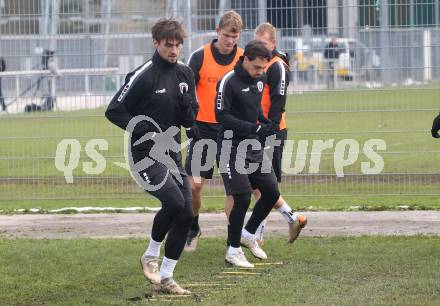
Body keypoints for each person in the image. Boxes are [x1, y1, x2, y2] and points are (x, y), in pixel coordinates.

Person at [105, 18, 198, 295]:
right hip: (144, 154)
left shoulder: (185, 74)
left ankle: (167, 278)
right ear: (155, 43)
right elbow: (114, 111)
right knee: (173, 201)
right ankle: (150, 255)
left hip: (172, 153)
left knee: (186, 211)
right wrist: (145, 129)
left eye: (177, 44)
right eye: (167, 44)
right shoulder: (143, 74)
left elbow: (189, 116)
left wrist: (187, 113)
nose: (173, 49)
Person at [240, 22, 307, 249]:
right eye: (257, 43)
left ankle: (257, 237)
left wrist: (269, 131)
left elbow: (278, 104)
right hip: (259, 130)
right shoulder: (263, 64)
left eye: (265, 44)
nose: (261, 48)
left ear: (274, 43)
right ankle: (292, 218)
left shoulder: (277, 66)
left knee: (262, 186)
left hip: (271, 131)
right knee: (258, 185)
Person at [215, 40, 279, 268]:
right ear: (245, 60)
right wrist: (254, 128)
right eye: (257, 68)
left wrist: (265, 122)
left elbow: (254, 110)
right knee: (241, 197)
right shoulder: (228, 82)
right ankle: (232, 251)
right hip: (229, 147)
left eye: (263, 68)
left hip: (252, 146)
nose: (261, 72)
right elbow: (222, 116)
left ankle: (248, 234)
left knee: (271, 192)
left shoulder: (260, 79)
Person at [184, 10, 244, 251]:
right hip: (203, 131)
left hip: (232, 133)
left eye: (235, 36)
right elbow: (185, 92)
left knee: (235, 190)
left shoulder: (243, 58)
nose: (231, 40)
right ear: (218, 32)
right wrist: (190, 123)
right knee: (194, 185)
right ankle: (193, 226)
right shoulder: (199, 57)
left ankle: (233, 242)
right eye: (227, 35)